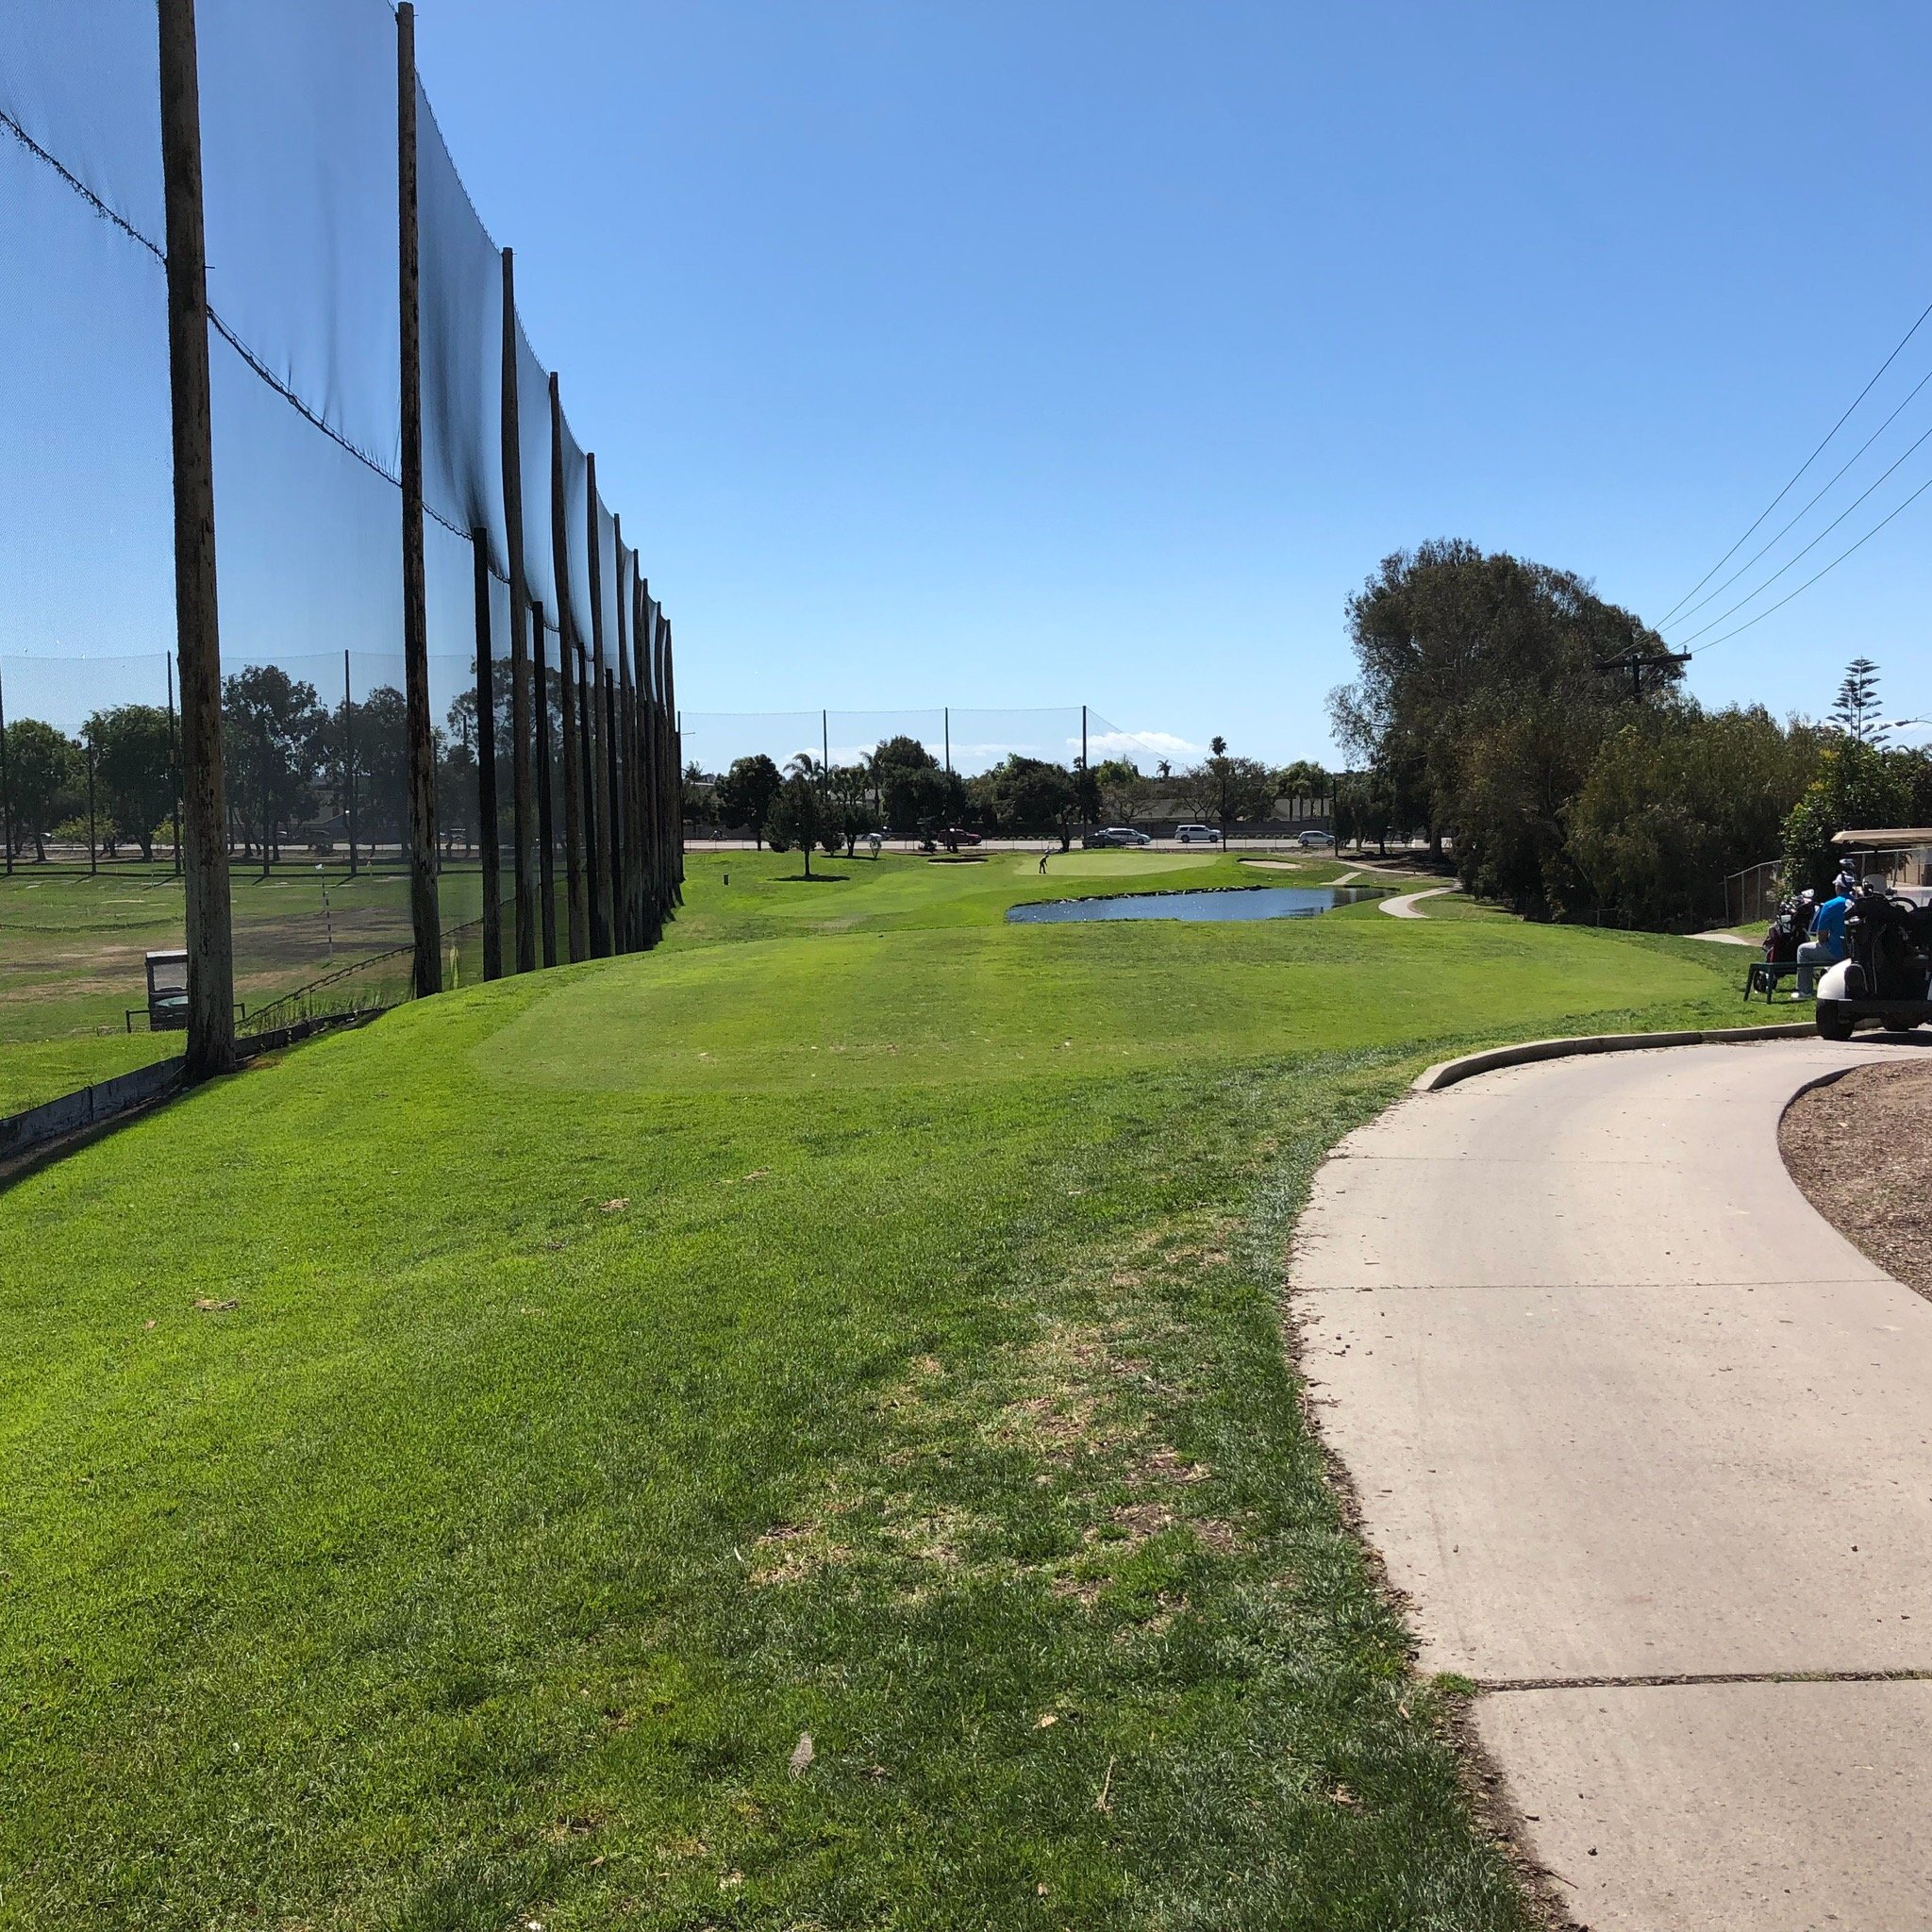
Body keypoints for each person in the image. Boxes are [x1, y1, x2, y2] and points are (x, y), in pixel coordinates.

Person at [1794, 885, 1851, 998]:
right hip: (1855, 952)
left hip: (1836, 951)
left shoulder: (1830, 905)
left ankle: (1805, 991)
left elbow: (1822, 936)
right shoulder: (1859, 902)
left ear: (1838, 887)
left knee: (1803, 950)